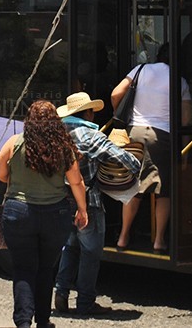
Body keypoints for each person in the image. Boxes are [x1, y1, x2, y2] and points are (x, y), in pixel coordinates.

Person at [0, 100, 88, 328]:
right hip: (55, 215)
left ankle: (23, 322)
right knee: (46, 268)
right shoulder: (63, 147)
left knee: (23, 269)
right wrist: (82, 210)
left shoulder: (14, 143)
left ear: (30, 121)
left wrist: (18, 179)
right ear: (55, 122)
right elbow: (76, 182)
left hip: (18, 213)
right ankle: (43, 321)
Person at [53, 92, 141, 316]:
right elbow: (121, 157)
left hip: (61, 201)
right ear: (88, 113)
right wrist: (137, 164)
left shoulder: (57, 134)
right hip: (88, 203)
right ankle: (85, 302)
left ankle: (61, 292)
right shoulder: (89, 135)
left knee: (70, 248)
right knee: (90, 253)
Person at [110, 43, 191, 253]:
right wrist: (184, 150)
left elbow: (116, 94)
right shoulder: (180, 81)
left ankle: (123, 237)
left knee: (133, 188)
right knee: (163, 190)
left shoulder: (139, 70)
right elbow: (185, 119)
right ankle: (159, 240)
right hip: (162, 136)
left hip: (134, 132)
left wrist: (123, 116)